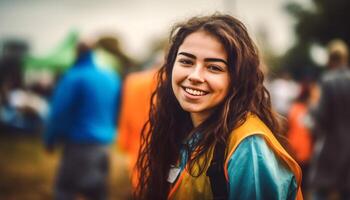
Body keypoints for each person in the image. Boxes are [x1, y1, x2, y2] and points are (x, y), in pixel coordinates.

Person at [135, 14, 303, 200]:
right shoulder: (182, 129)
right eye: (186, 61)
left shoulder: (248, 147)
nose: (195, 76)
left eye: (214, 67)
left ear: (236, 78)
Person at [44, 42, 121, 200]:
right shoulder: (111, 77)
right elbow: (118, 108)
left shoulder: (74, 76)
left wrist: (50, 139)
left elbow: (59, 112)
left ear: (77, 53)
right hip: (104, 146)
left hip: (78, 145)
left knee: (64, 190)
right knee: (97, 193)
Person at [308, 39, 350, 200]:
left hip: (331, 145)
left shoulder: (328, 81)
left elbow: (322, 118)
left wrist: (311, 106)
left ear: (330, 60)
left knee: (320, 191)